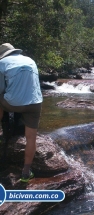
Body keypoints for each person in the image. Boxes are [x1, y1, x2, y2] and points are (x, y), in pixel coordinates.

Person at [0, 43, 43, 182]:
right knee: (31, 138)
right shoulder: (30, 60)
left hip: (13, 104)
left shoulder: (2, 63)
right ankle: (26, 172)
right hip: (35, 104)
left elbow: (1, 89)